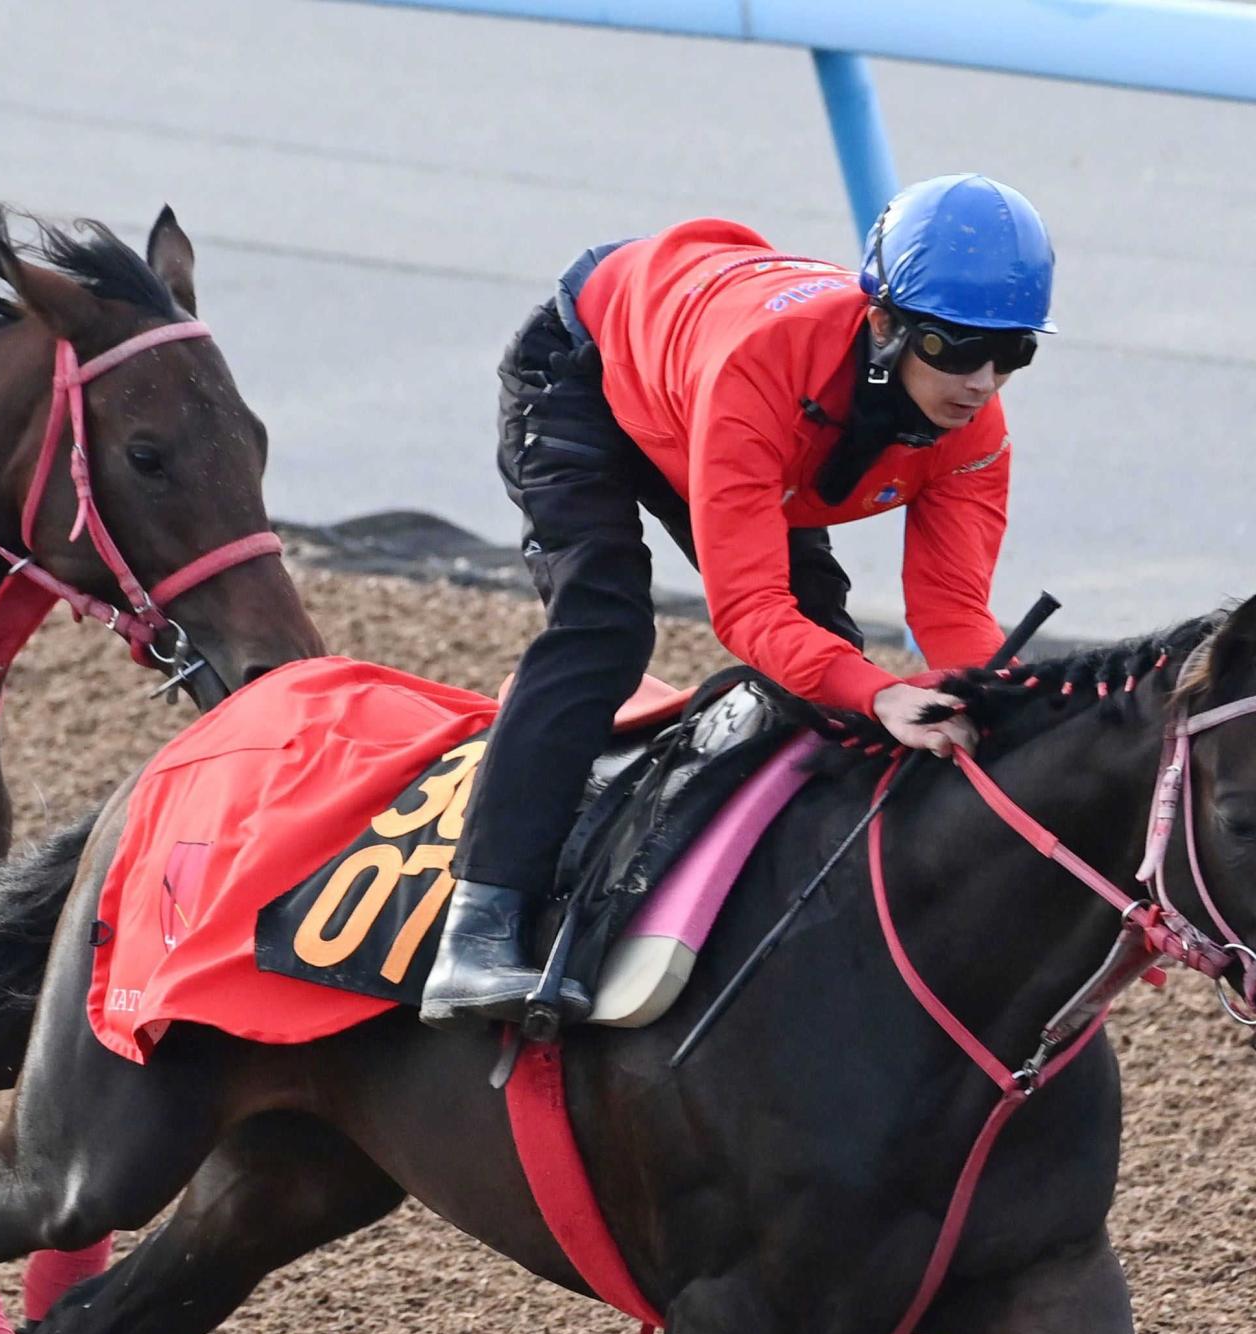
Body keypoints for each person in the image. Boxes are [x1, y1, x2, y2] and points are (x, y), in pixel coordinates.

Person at [421, 173, 1055, 1027]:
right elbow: (748, 611)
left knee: (825, 656)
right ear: (883, 325)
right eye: (951, 347)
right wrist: (881, 689)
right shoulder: (764, 366)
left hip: (712, 391)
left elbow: (950, 616)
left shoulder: (977, 435)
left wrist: (1000, 722)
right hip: (587, 368)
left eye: (1012, 353)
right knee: (604, 626)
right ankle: (480, 926)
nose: (980, 382)